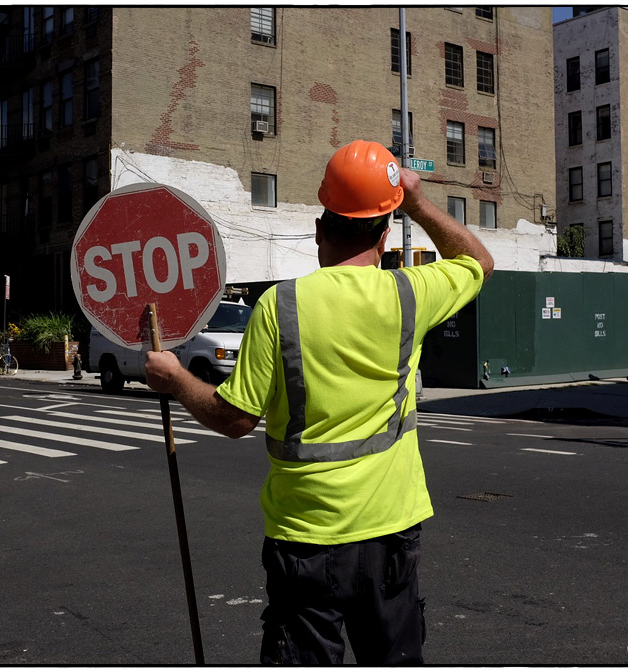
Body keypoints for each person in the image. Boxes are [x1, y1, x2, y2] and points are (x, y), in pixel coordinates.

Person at [145, 140, 495, 664]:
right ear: (384, 234)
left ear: (318, 230)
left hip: (305, 539)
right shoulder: (410, 295)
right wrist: (418, 204)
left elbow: (235, 417)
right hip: (389, 533)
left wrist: (174, 379)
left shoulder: (279, 306)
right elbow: (479, 262)